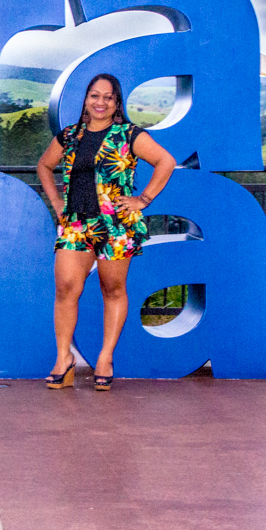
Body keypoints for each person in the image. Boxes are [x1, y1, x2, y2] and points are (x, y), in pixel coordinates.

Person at [36, 74, 176, 391]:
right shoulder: (70, 135)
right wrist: (56, 201)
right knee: (65, 288)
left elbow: (165, 161)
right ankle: (64, 358)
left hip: (116, 224)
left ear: (117, 103)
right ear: (86, 99)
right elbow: (44, 166)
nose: (100, 102)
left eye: (108, 97)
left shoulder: (128, 134)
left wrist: (144, 199)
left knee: (112, 290)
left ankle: (105, 358)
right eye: (95, 95)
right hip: (76, 223)